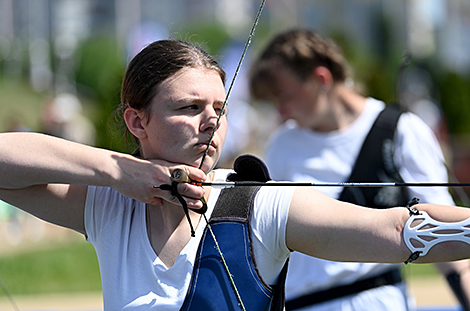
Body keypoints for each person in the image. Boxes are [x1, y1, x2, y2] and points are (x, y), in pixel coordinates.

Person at [1, 39, 470, 311]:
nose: (211, 122)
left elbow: (393, 229)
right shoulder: (109, 204)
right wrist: (118, 171)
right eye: (189, 107)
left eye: (220, 109)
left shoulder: (256, 205)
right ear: (137, 122)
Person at [249, 28, 470, 311]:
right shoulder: (282, 144)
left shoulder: (401, 130)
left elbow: (438, 228)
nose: (280, 111)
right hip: (299, 304)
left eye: (284, 96)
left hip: (377, 302)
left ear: (321, 79)